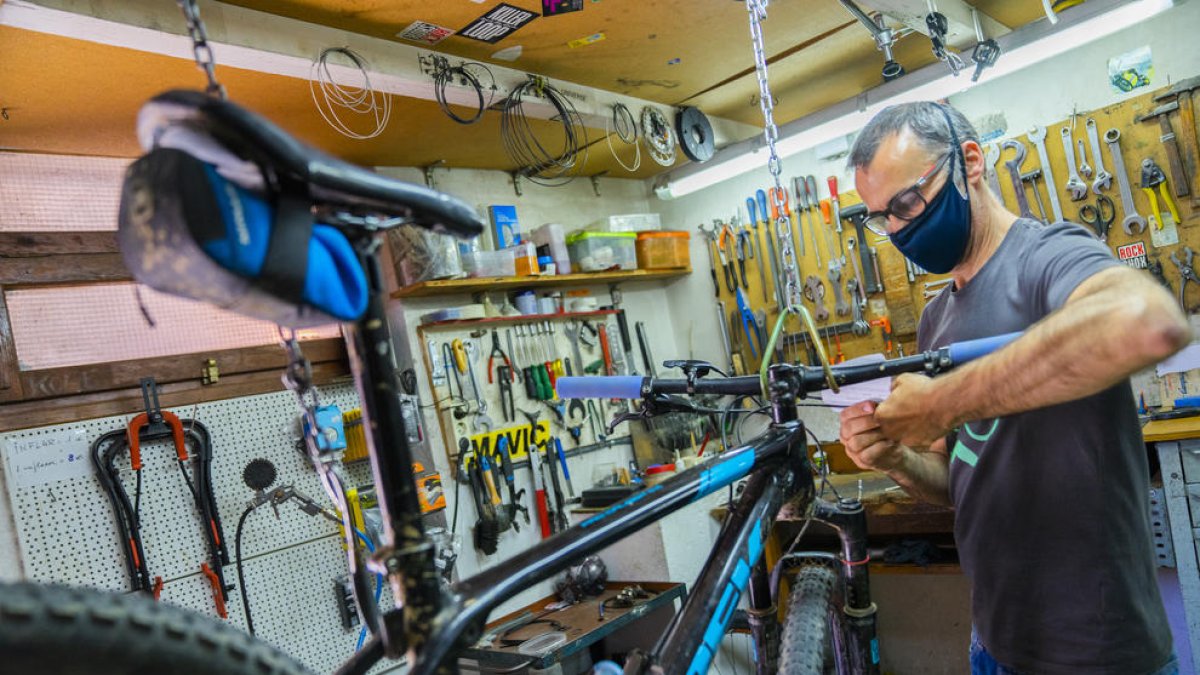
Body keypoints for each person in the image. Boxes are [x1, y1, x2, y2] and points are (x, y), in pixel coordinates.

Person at [838, 101, 1188, 675]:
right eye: (882, 217)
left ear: (969, 162)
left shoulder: (1045, 256)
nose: (898, 229)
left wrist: (943, 400)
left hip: (1096, 650)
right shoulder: (935, 321)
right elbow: (959, 479)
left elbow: (1146, 322)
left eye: (907, 203)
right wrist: (896, 457)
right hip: (995, 642)